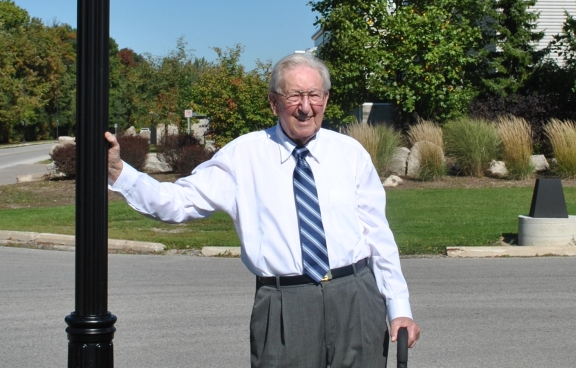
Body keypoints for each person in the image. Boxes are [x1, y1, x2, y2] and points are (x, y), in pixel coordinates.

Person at [105, 53, 420, 367]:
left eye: (314, 95)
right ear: (274, 102)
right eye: (294, 95)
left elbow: (378, 236)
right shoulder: (243, 157)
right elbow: (176, 202)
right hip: (284, 305)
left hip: (356, 298)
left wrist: (399, 307)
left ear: (325, 98)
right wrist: (121, 172)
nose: (306, 106)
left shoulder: (350, 153)